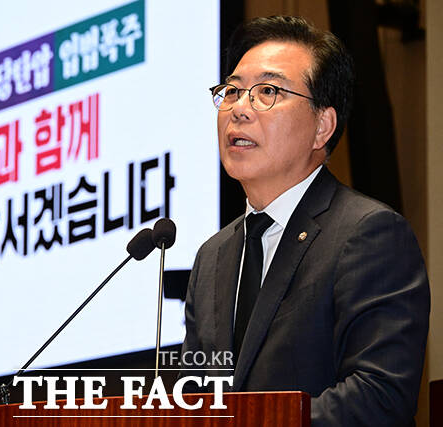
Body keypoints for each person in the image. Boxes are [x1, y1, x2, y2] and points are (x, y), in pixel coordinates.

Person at [180, 15, 430, 426]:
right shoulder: (212, 257)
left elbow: (379, 396)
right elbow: (194, 400)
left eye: (267, 91)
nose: (239, 109)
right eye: (232, 91)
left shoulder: (368, 234)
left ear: (322, 126)